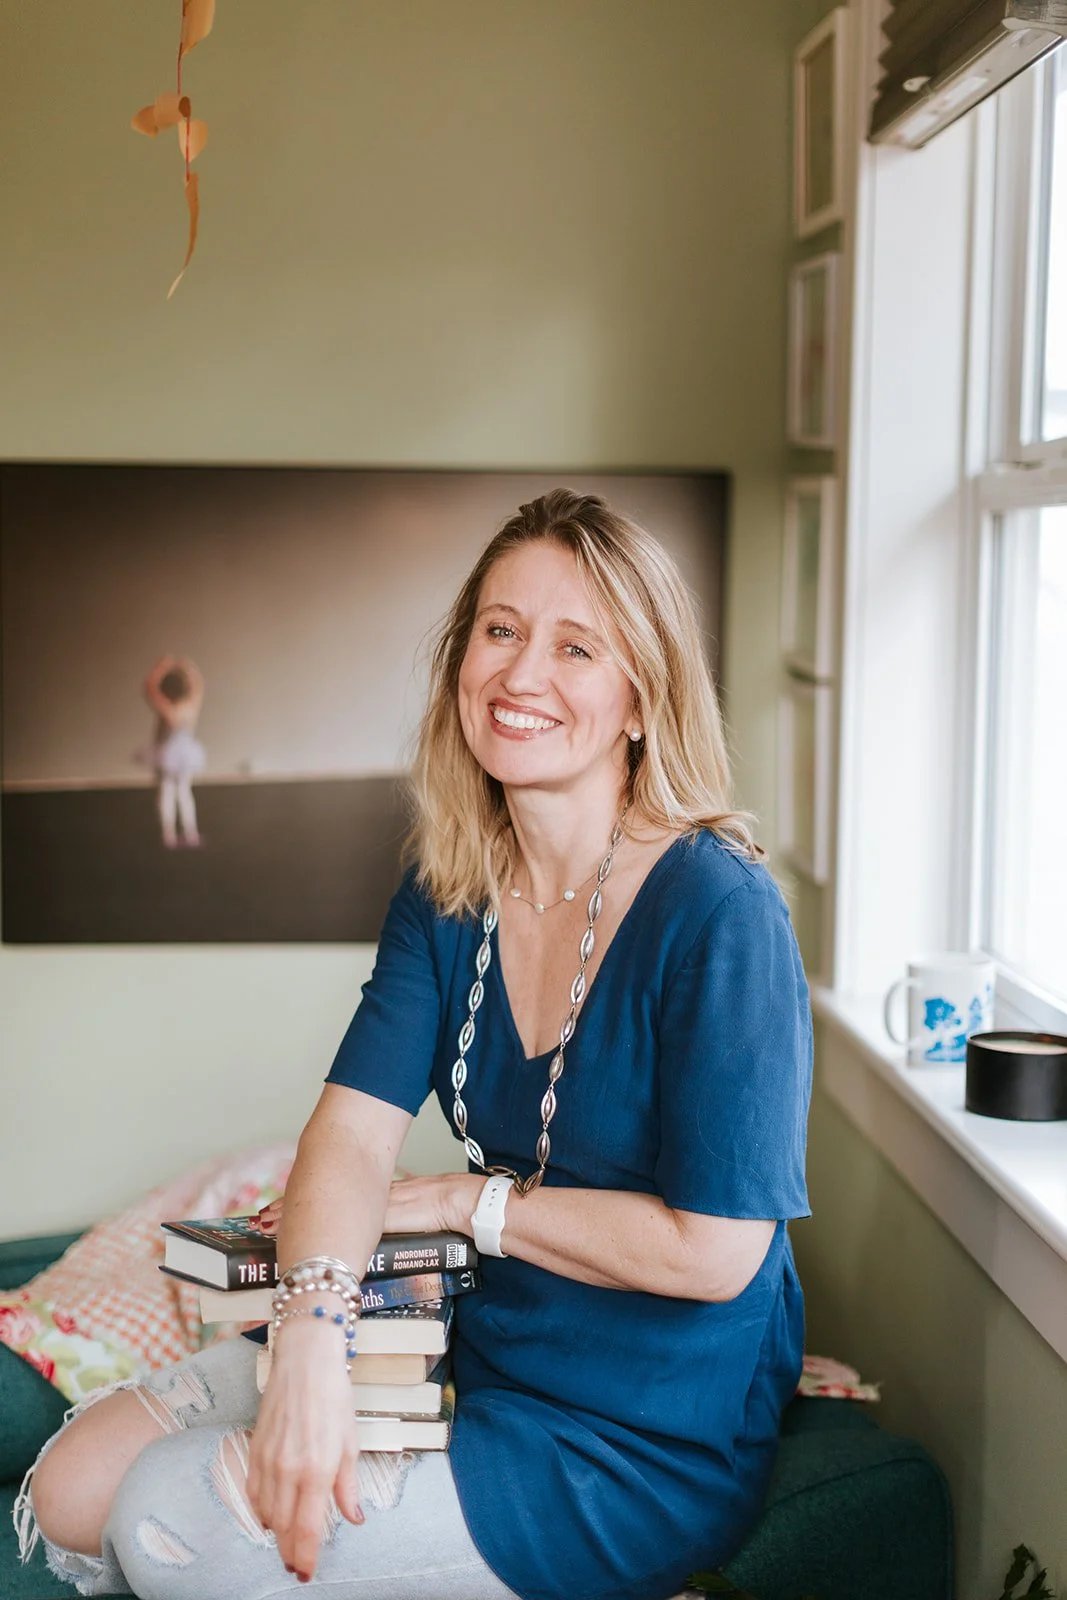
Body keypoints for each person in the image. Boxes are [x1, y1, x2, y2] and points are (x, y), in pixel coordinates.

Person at [22, 490, 812, 1600]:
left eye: (575, 646)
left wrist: (453, 1200)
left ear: (642, 699)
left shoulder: (722, 911)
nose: (521, 674)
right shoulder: (449, 888)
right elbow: (350, 1138)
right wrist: (312, 1333)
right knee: (74, 1486)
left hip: (638, 1429)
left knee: (167, 1515)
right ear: (459, 660)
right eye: (500, 630)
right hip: (472, 1340)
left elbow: (716, 1252)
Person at [143, 654, 205, 848]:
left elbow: (150, 690)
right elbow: (198, 688)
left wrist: (160, 669)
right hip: (185, 754)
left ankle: (169, 834)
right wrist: (189, 669)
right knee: (184, 791)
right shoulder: (190, 708)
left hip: (169, 754)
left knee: (167, 791)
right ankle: (190, 833)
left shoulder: (168, 709)